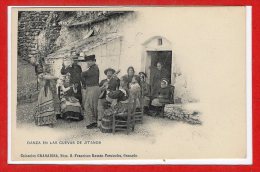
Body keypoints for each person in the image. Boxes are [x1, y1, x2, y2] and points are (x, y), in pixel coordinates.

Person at [81, 55, 101, 129]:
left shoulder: (94, 68)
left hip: (94, 88)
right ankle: (92, 121)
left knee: (93, 106)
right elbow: (83, 75)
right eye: (87, 61)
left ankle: (94, 122)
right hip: (90, 88)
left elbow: (83, 74)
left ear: (93, 61)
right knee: (88, 105)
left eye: (90, 61)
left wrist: (83, 73)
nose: (88, 62)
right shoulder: (91, 68)